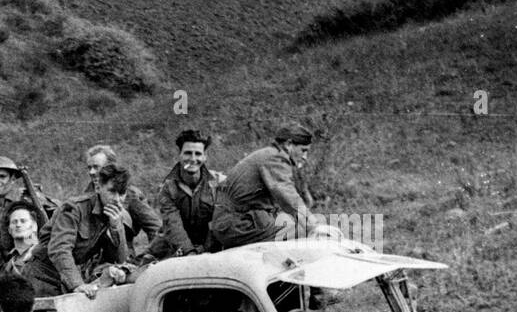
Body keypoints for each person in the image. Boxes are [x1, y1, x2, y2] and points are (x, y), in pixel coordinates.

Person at [26, 163, 157, 297]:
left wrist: (116, 228)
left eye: (122, 193)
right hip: (42, 276)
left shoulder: (114, 215)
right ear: (98, 187)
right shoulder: (74, 208)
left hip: (66, 277)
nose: (117, 199)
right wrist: (77, 284)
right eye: (112, 191)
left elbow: (120, 260)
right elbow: (59, 249)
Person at [207, 123, 315, 251]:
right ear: (288, 144)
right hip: (237, 225)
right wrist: (313, 225)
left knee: (290, 223)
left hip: (232, 222)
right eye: (303, 150)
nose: (305, 157)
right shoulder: (275, 158)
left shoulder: (267, 154)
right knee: (304, 231)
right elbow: (287, 195)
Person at [146, 129, 226, 258]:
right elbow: (173, 225)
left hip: (211, 245)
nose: (193, 159)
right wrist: (190, 253)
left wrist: (207, 252)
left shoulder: (219, 183)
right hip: (175, 246)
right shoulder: (168, 188)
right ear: (179, 155)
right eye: (188, 153)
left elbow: (221, 221)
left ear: (205, 156)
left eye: (198, 154)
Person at [2, 201, 43, 276]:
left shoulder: (46, 255)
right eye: (14, 222)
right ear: (9, 230)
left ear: (34, 226)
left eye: (23, 221)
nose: (18, 225)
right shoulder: (8, 264)